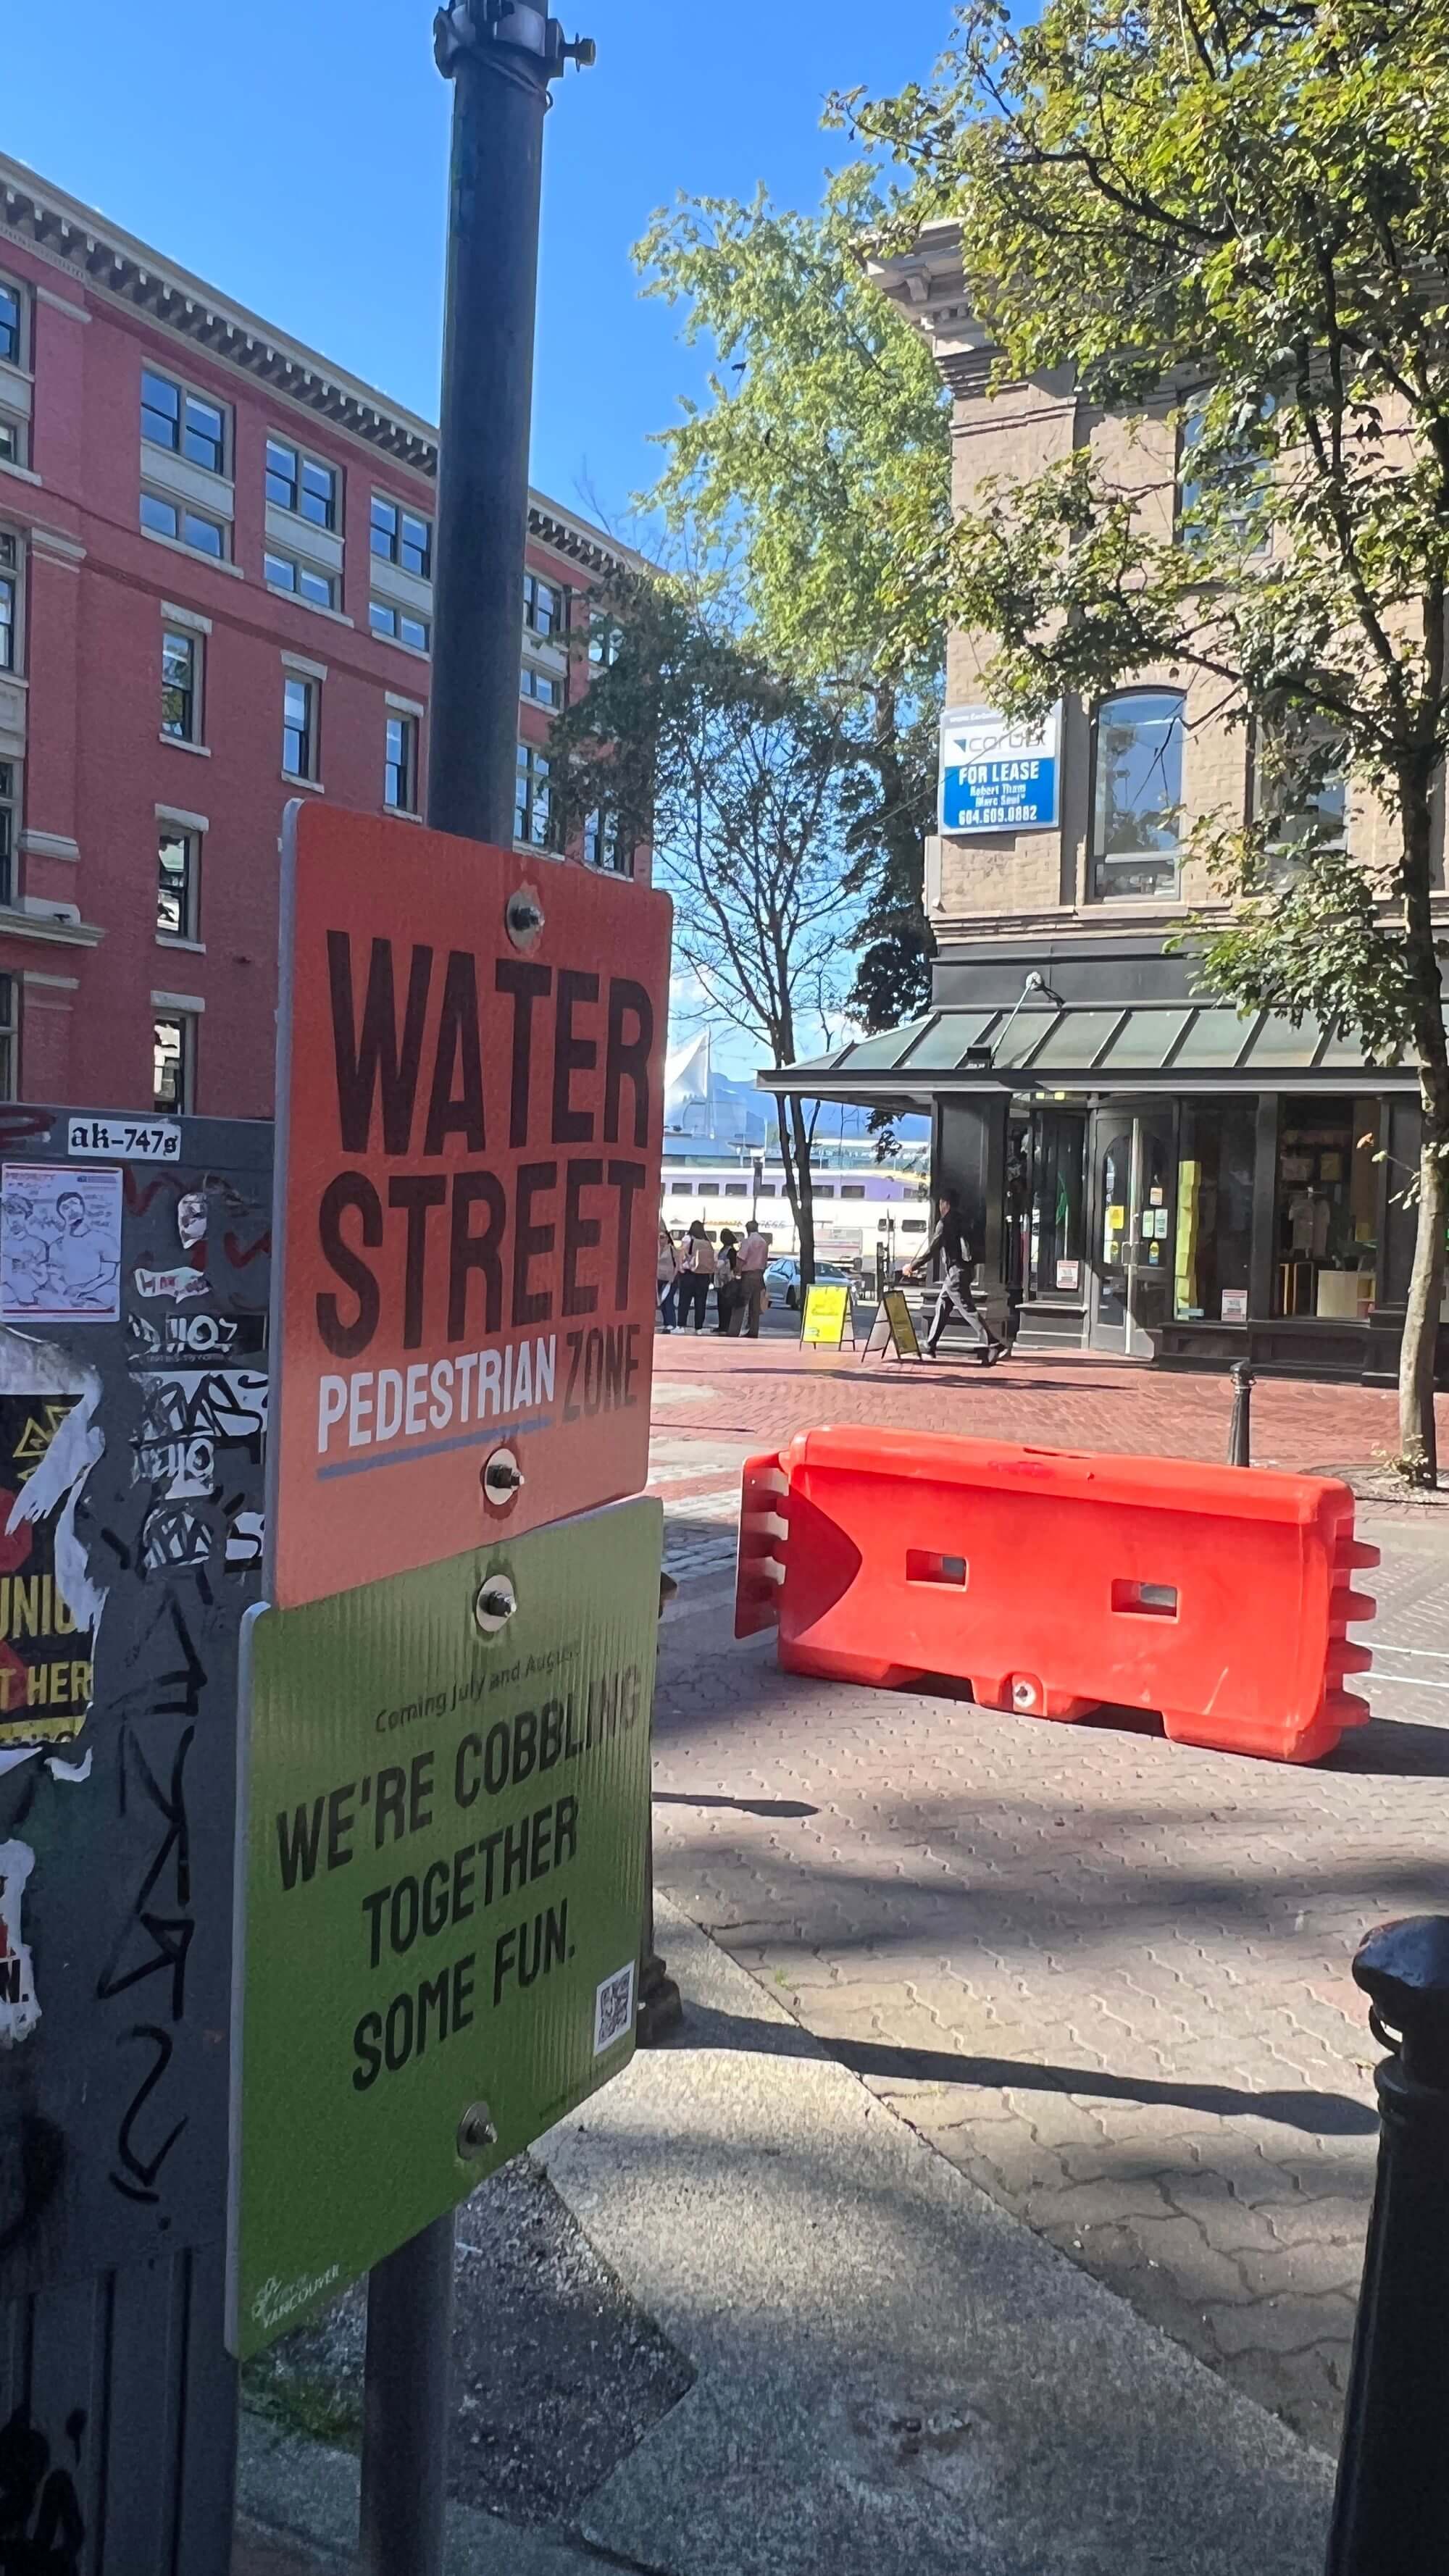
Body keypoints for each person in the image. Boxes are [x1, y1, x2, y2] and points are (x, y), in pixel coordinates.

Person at [907, 1189, 1006, 1363]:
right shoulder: (964, 1219)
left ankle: (994, 1344)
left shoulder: (945, 1223)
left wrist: (913, 1266)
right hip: (965, 1271)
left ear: (945, 1203)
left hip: (955, 1274)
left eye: (940, 1204)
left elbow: (932, 1250)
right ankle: (930, 1347)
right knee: (942, 1307)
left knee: (968, 1311)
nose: (939, 1207)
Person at [730, 1221, 771, 1338]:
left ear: (747, 1229)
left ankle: (733, 1331)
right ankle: (754, 1331)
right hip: (759, 1276)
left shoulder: (747, 1242)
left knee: (740, 1304)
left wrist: (737, 1270)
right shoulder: (764, 1242)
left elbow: (741, 1259)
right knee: (755, 1306)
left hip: (748, 1275)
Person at [677, 1220, 714, 1331]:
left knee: (684, 1301)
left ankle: (681, 1325)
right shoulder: (707, 1242)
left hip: (689, 1274)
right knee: (700, 1303)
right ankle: (699, 1328)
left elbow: (682, 1256)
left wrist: (680, 1269)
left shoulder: (687, 1239)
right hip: (703, 1276)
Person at [714, 1228, 739, 1333]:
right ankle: (722, 1325)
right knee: (721, 1304)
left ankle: (726, 1326)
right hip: (721, 1280)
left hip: (727, 1280)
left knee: (726, 1304)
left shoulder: (731, 1251)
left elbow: (732, 1266)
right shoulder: (724, 1249)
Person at [656, 1221, 679, 1331]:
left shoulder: (672, 1249)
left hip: (670, 1279)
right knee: (662, 1301)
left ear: (667, 1238)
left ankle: (672, 1323)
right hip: (659, 1278)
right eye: (659, 1237)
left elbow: (677, 1265)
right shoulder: (657, 1249)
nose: (660, 1240)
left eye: (662, 1237)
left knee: (669, 1300)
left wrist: (673, 1278)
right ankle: (666, 1322)